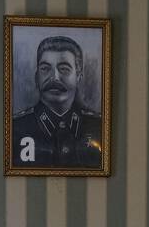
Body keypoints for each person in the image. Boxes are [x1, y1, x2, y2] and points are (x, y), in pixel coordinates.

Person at [11, 34, 103, 168]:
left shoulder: (99, 127)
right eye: (45, 68)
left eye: (64, 69)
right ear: (37, 77)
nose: (54, 77)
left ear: (78, 77)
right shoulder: (16, 128)